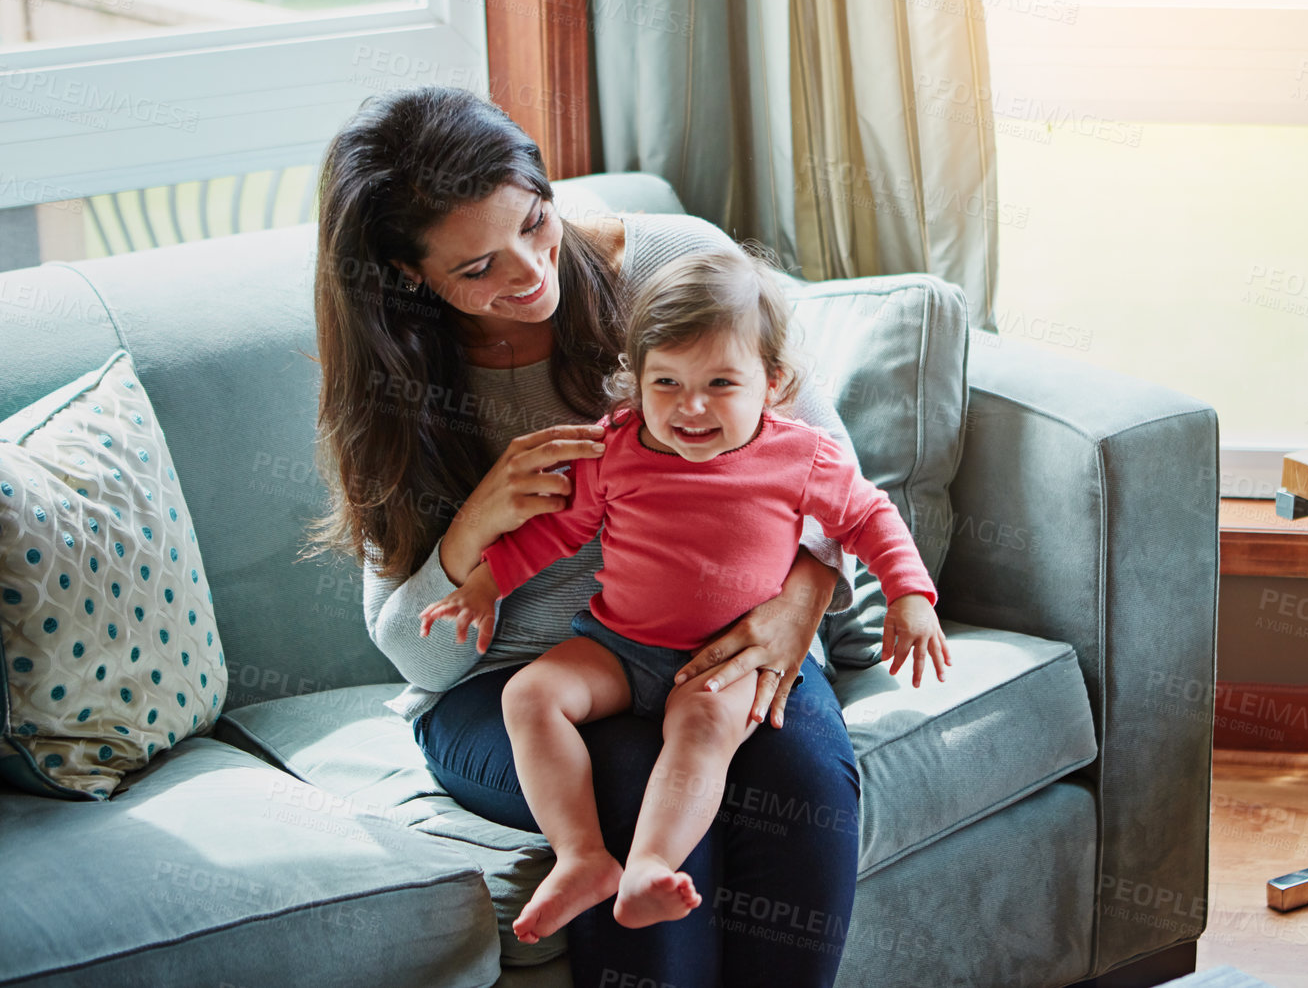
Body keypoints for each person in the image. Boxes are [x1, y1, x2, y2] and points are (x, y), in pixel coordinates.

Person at [305, 85, 871, 986]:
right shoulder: (397, 381)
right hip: (511, 689)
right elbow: (418, 660)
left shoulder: (676, 266)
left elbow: (829, 475)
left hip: (715, 633)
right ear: (412, 275)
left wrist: (797, 610)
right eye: (476, 270)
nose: (528, 271)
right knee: (632, 777)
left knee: (800, 783)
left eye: (535, 222)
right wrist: (472, 531)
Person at [419, 245, 949, 945]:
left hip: (723, 661)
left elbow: (867, 517)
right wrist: (485, 583)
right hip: (616, 644)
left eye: (722, 383)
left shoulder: (802, 455)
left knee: (699, 732)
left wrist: (910, 594)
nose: (690, 407)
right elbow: (558, 532)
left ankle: (648, 865)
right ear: (634, 383)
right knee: (529, 696)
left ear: (774, 382)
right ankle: (583, 857)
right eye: (665, 382)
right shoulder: (617, 447)